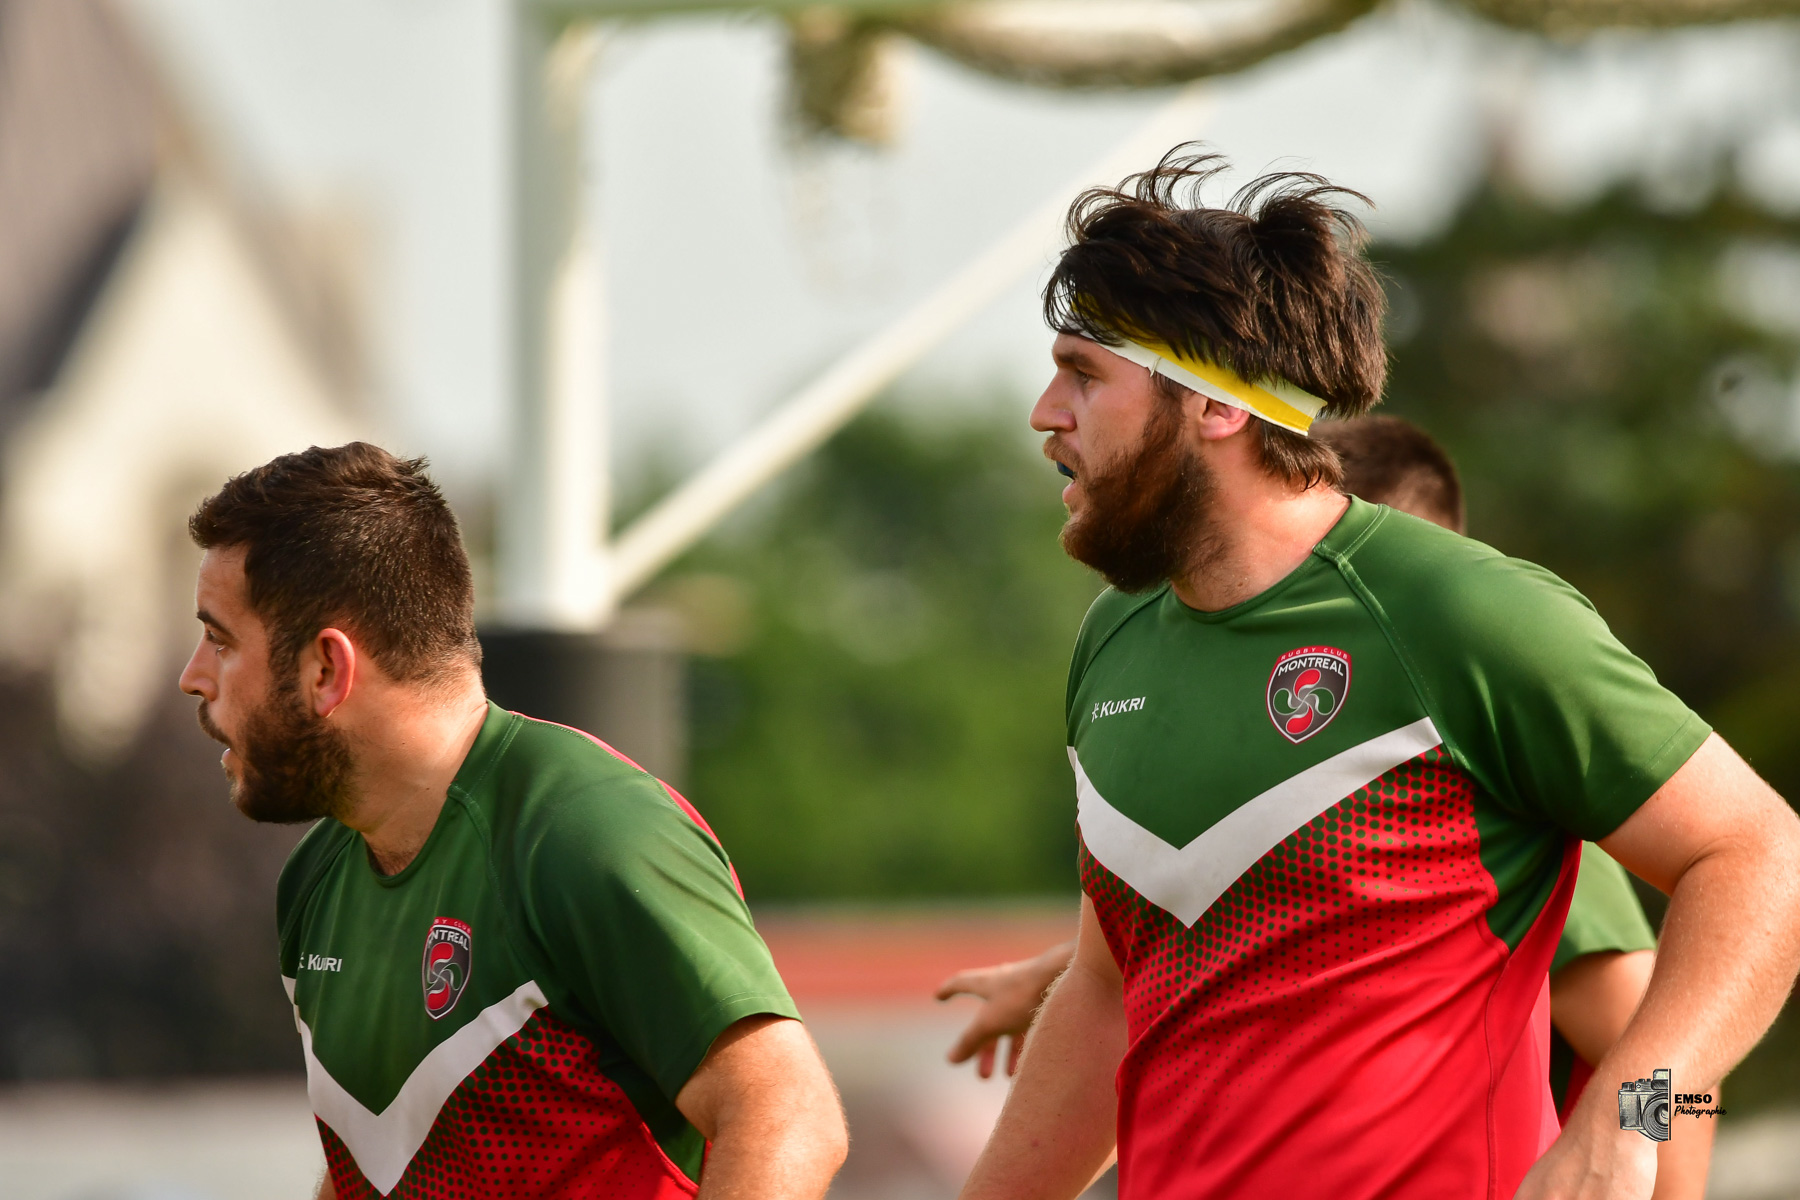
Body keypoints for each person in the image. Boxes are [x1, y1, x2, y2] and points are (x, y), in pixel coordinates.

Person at [951, 150, 1800, 1200]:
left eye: (1084, 373)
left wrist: (1631, 1117)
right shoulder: (1114, 638)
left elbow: (1763, 856)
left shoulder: (1463, 613)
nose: (1045, 412)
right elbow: (1108, 990)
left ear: (1217, 406)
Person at [937, 414, 1714, 1197]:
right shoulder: (1153, 666)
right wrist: (1055, 979)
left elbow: (1684, 1084)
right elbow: (1264, 937)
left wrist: (1633, 1132)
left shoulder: (1492, 803)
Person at [176, 443, 847, 1200]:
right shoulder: (315, 877)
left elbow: (788, 1117)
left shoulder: (584, 831)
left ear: (327, 669)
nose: (192, 676)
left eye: (221, 639)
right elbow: (373, 1167)